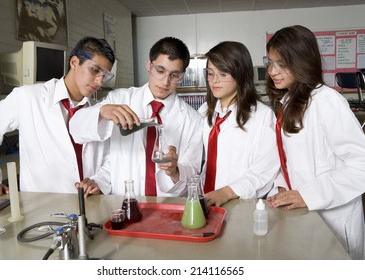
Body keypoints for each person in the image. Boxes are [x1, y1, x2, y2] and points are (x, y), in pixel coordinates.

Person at [265, 25, 365, 260]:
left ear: (301, 61)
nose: (272, 71)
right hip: (305, 213)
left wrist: (308, 194)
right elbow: (291, 158)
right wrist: (282, 186)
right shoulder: (290, 101)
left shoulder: (327, 102)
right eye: (270, 62)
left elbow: (361, 166)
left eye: (282, 64)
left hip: (334, 217)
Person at [0, 36, 116, 197]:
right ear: (74, 62)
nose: (99, 81)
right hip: (41, 207)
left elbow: (109, 157)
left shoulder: (98, 111)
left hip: (88, 204)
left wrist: (99, 181)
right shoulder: (27, 97)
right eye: (95, 70)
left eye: (105, 75)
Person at [70, 37, 203, 196]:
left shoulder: (193, 120)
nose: (165, 81)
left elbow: (193, 172)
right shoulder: (118, 99)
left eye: (174, 75)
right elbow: (76, 129)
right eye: (160, 70)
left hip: (169, 207)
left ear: (182, 75)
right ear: (149, 65)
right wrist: (102, 111)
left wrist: (175, 171)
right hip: (125, 201)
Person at [198, 41, 279, 207]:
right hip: (204, 200)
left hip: (239, 203)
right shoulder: (205, 110)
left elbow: (265, 171)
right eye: (210, 73)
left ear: (240, 74)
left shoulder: (262, 116)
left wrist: (227, 192)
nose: (214, 81)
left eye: (223, 74)